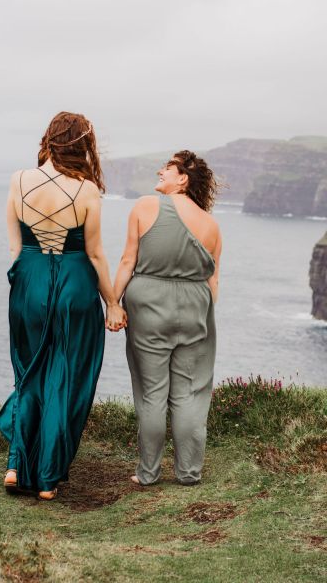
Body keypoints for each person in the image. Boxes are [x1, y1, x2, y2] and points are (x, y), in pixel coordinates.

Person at [0, 111, 126, 500]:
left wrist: (30, 280)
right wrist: (113, 303)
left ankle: (16, 465)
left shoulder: (19, 180)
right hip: (74, 283)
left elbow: (16, 249)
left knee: (29, 372)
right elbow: (97, 255)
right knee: (67, 377)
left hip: (29, 281)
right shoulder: (86, 190)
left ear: (48, 140)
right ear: (84, 146)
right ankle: (48, 478)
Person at [113, 150, 221, 486]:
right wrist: (200, 315)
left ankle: (148, 473)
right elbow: (213, 281)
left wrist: (113, 304)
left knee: (152, 392)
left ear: (183, 178)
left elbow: (128, 261)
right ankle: (189, 472)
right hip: (194, 308)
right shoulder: (211, 224)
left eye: (168, 168)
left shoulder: (145, 207)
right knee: (190, 392)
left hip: (148, 307)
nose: (161, 171)